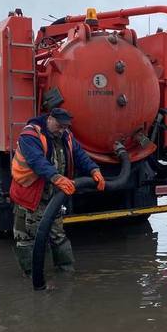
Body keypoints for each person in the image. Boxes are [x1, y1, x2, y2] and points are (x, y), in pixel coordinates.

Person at [9, 107, 105, 275]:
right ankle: (32, 276)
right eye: (60, 126)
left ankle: (66, 272)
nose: (62, 130)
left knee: (58, 235)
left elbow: (80, 154)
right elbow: (36, 161)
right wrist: (56, 177)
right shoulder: (30, 135)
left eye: (65, 127)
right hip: (29, 195)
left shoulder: (65, 136)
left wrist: (93, 170)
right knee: (27, 238)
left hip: (53, 197)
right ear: (50, 119)